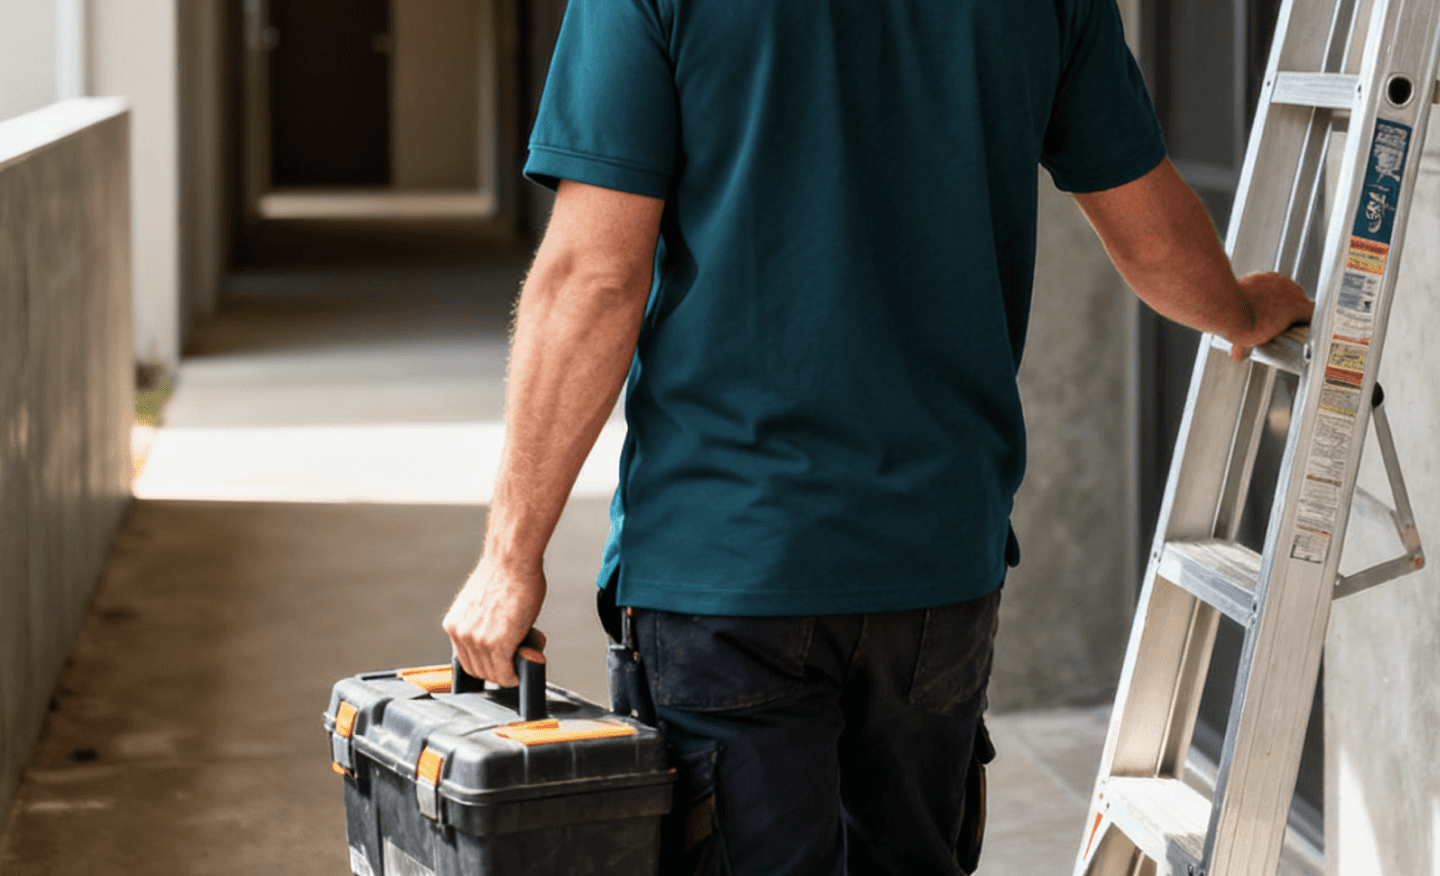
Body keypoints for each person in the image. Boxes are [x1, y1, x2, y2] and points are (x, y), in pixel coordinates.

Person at [443, 1, 1315, 873]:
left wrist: (510, 558)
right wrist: (1239, 309)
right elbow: (1146, 225)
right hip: (934, 564)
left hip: (731, 563)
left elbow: (594, 276)